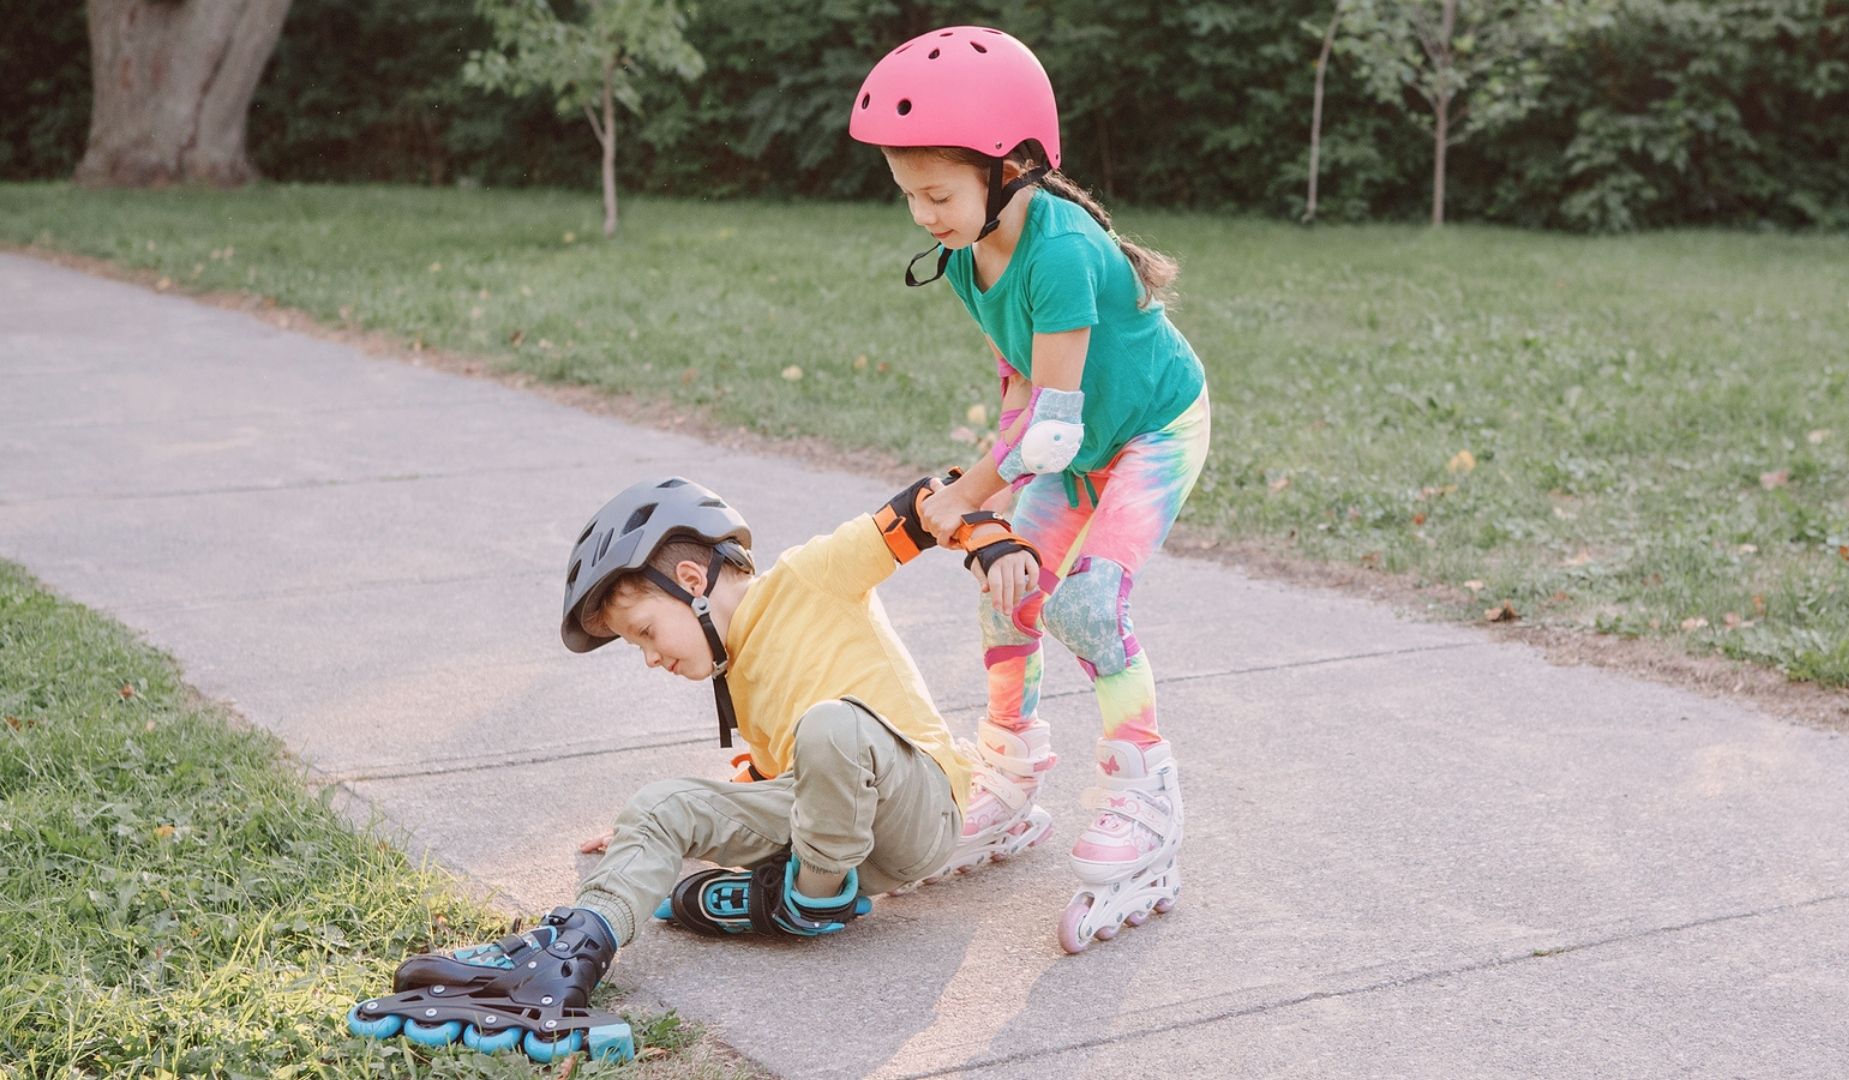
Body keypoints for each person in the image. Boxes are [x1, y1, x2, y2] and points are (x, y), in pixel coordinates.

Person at [347, 475, 1040, 1061]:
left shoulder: (808, 576)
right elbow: (779, 790)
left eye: (645, 631)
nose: (649, 656)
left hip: (917, 804)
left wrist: (991, 540)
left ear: (690, 580)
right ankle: (566, 962)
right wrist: (650, 837)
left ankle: (804, 898)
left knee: (831, 724)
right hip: (828, 820)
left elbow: (930, 502)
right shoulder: (740, 680)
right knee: (660, 803)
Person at [848, 25, 1212, 952]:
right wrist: (989, 509)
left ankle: (1143, 791)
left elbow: (1051, 425)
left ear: (1009, 167)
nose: (923, 213)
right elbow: (1022, 382)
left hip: (1149, 433)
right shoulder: (970, 255)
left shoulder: (1060, 251)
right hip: (1069, 440)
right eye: (909, 196)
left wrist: (970, 493)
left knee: (1088, 604)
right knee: (1009, 588)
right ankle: (1007, 778)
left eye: (936, 192)